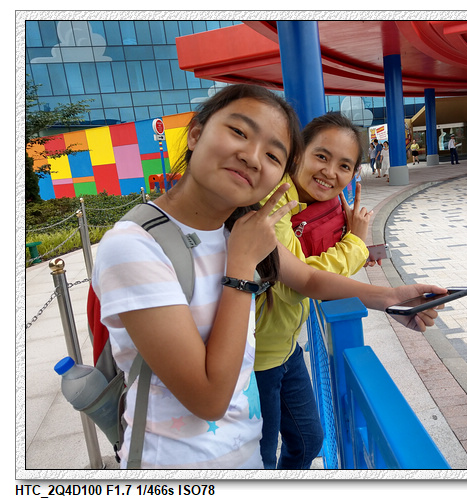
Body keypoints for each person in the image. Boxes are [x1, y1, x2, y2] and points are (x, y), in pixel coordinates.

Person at [91, 84, 446, 469]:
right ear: (196, 133)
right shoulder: (134, 247)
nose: (252, 157)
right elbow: (209, 400)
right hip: (176, 469)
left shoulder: (239, 226)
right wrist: (241, 268)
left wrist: (392, 297)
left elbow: (307, 280)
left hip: (246, 458)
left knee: (306, 440)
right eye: (239, 132)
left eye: (273, 154)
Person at [254, 113, 372, 469]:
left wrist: (348, 235)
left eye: (344, 166)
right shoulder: (274, 199)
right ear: (298, 152)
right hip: (254, 356)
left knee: (308, 442)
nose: (330, 172)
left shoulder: (325, 206)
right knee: (259, 458)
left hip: (287, 346)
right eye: (322, 156)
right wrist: (356, 244)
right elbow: (294, 286)